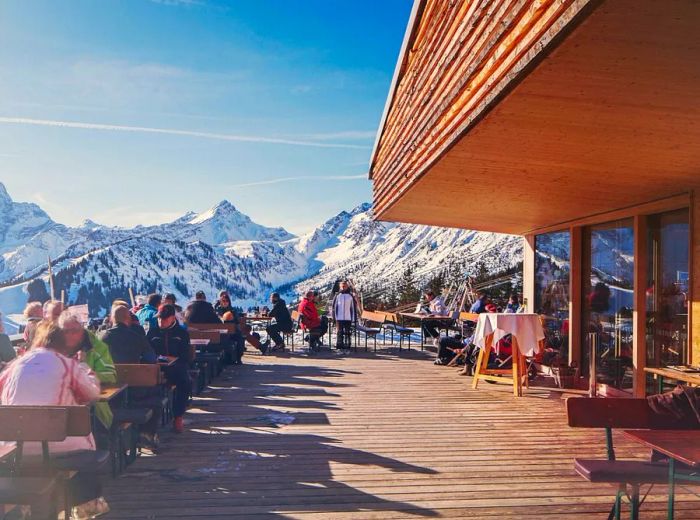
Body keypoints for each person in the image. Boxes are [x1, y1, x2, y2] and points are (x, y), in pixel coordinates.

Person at [0, 321, 109, 518]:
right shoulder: (67, 365)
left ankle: (34, 508)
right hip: (60, 449)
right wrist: (84, 366)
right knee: (85, 442)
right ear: (62, 344)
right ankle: (86, 504)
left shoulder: (14, 366)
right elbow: (91, 392)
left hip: (15, 450)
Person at [58, 311, 117, 429]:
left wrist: (86, 372)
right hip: (58, 407)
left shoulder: (97, 347)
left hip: (92, 409)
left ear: (82, 330)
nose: (70, 335)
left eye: (74, 331)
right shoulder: (54, 348)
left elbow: (111, 375)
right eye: (65, 331)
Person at [147, 304, 192, 433]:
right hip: (156, 368)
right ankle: (149, 424)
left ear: (172, 318)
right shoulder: (152, 332)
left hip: (176, 368)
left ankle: (178, 416)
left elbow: (185, 356)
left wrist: (173, 359)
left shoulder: (181, 333)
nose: (161, 321)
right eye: (159, 318)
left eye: (164, 319)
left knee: (185, 381)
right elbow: (146, 351)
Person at [331, 281, 358, 350]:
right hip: (339, 317)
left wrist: (354, 318)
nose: (343, 287)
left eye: (345, 286)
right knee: (339, 332)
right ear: (340, 287)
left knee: (347, 332)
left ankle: (347, 344)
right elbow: (334, 307)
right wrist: (334, 317)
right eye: (342, 286)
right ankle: (339, 344)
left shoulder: (350, 296)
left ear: (347, 286)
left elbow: (353, 308)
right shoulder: (337, 296)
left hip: (348, 317)